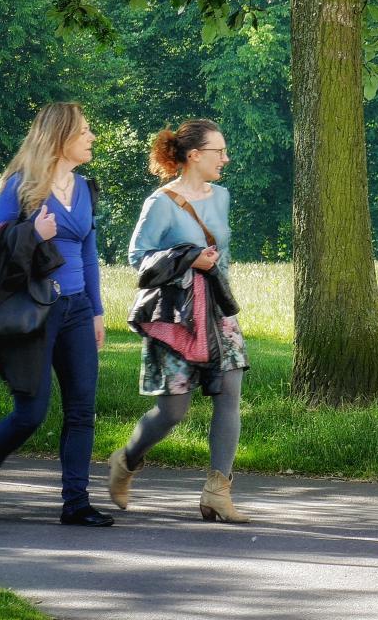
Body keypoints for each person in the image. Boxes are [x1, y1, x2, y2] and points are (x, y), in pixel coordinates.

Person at [0, 102, 113, 527]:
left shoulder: (84, 188)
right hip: (35, 312)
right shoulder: (20, 187)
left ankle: (76, 503)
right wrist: (33, 232)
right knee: (31, 412)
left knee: (82, 409)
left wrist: (97, 311)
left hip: (78, 309)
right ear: (61, 137)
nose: (91, 137)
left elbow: (88, 251)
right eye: (84, 131)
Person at [108, 119, 251, 523]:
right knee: (173, 411)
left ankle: (217, 491)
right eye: (218, 151)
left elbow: (221, 255)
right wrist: (188, 257)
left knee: (229, 395)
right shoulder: (161, 202)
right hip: (173, 315)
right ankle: (127, 460)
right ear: (194, 156)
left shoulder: (221, 196)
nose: (225, 158)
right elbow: (138, 258)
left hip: (216, 313)